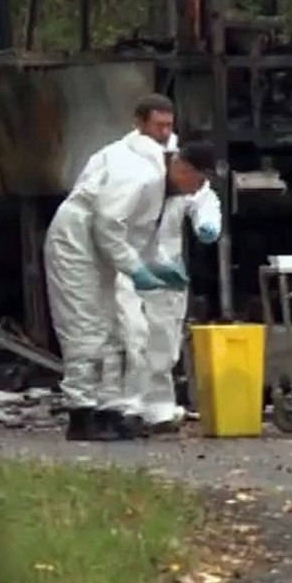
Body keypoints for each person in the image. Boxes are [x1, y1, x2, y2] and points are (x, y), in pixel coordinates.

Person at [45, 95, 216, 441]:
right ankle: (81, 414)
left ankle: (108, 410)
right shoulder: (139, 174)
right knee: (85, 327)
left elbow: (134, 235)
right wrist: (136, 270)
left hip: (101, 251)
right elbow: (106, 224)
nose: (193, 191)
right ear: (182, 167)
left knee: (114, 329)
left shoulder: (162, 181)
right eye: (195, 182)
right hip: (77, 245)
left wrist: (154, 267)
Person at [115, 133, 222, 432]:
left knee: (164, 338)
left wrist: (206, 222)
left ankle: (158, 408)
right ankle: (129, 405)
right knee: (133, 334)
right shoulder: (143, 175)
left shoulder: (187, 177)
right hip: (129, 262)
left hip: (166, 264)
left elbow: (203, 198)